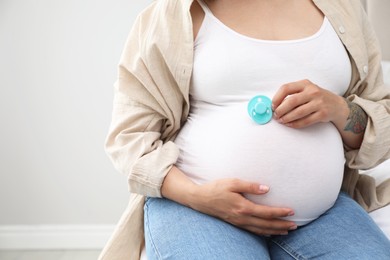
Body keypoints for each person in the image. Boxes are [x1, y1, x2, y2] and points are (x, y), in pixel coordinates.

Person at [100, 0, 390, 259]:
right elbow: (129, 138)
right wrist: (197, 196)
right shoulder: (174, 17)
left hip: (322, 216)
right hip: (198, 209)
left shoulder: (343, 10)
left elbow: (382, 125)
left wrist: (340, 110)